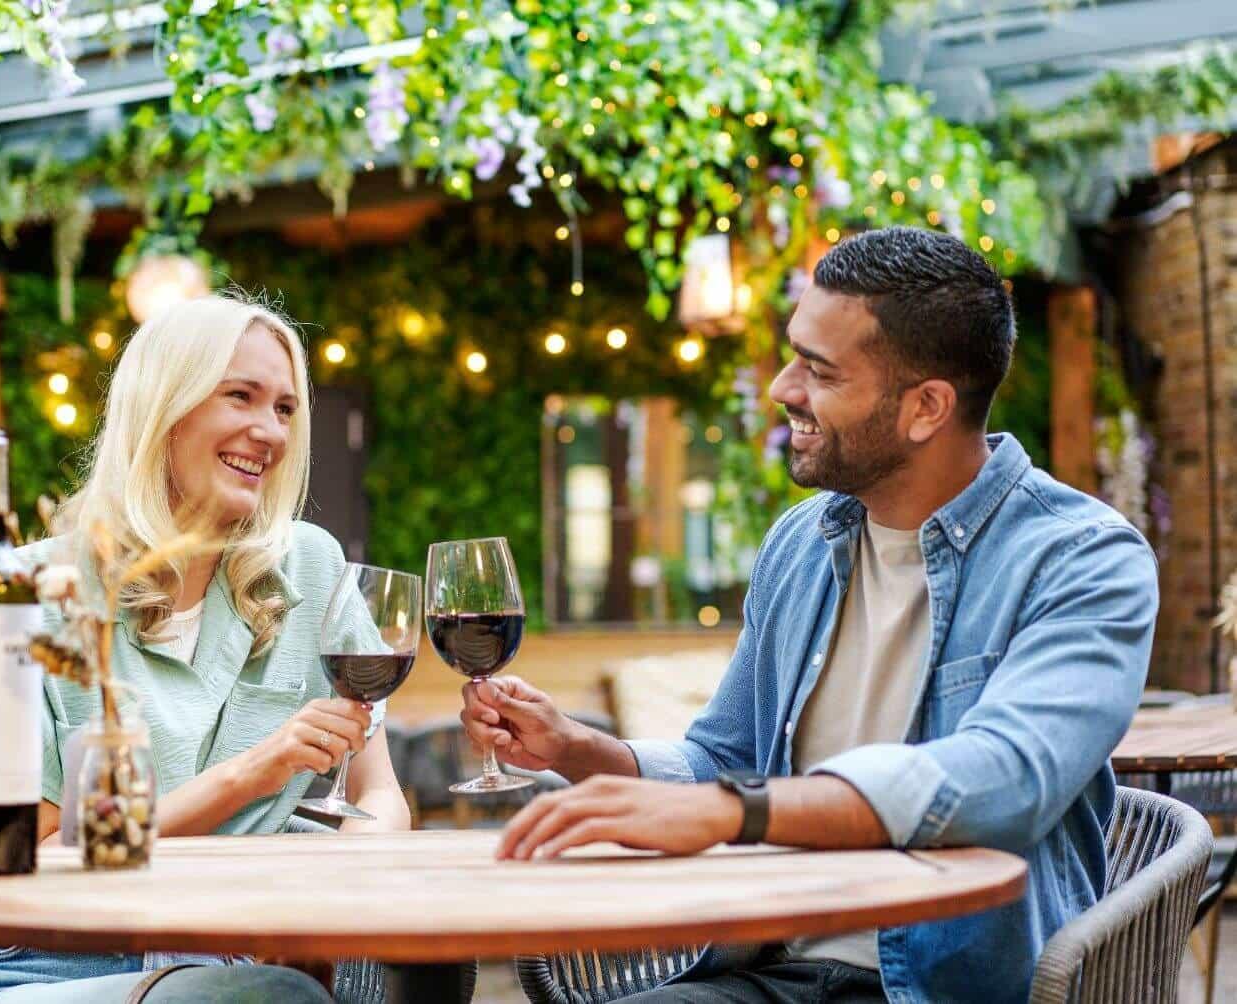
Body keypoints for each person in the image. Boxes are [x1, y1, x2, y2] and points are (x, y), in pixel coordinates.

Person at [463, 227, 1158, 1003]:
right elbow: (725, 758)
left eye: (819, 371)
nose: (782, 389)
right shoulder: (803, 541)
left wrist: (732, 814)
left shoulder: (1084, 560)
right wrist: (580, 748)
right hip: (772, 969)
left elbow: (1004, 779)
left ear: (927, 407)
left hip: (943, 987)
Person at [0, 293, 410, 1003]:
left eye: (283, 408)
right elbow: (43, 866)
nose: (268, 431)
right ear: (164, 410)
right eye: (239, 396)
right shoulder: (20, 594)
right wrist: (255, 772)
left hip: (231, 958)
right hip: (45, 965)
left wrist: (355, 872)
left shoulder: (309, 566)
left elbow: (378, 791)